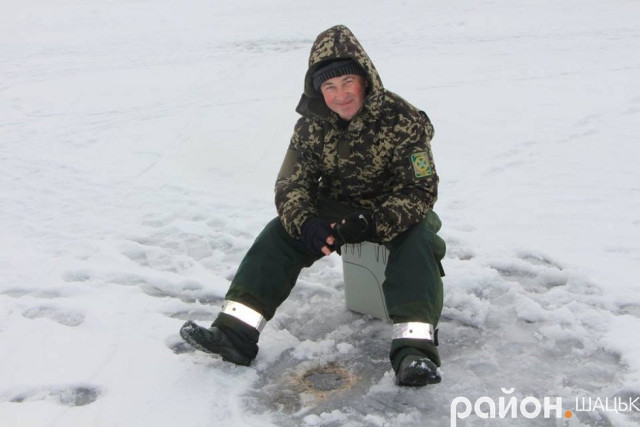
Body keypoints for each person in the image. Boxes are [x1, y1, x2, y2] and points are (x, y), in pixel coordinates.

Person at [180, 24, 446, 387]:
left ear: (365, 79)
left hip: (393, 209)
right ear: (319, 90)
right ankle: (234, 334)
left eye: (347, 82)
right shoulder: (310, 126)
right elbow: (290, 184)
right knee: (278, 234)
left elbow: (420, 189)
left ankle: (414, 353)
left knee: (418, 242)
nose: (340, 95)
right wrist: (306, 223)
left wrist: (373, 223)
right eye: (329, 86)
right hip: (335, 205)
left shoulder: (403, 118)